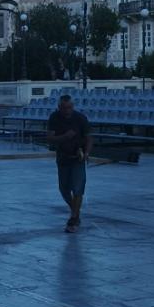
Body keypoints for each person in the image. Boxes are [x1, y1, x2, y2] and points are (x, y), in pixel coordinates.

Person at [47, 94, 92, 233]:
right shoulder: (54, 117)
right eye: (64, 108)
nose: (67, 110)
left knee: (78, 189)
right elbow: (50, 138)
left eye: (69, 107)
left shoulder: (80, 118)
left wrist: (87, 153)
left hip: (78, 157)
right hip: (63, 157)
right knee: (64, 189)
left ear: (73, 106)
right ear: (59, 107)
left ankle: (73, 217)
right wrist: (64, 137)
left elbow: (89, 137)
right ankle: (75, 211)